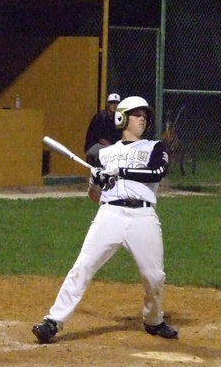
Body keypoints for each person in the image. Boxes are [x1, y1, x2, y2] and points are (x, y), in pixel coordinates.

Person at [32, 96, 177, 344]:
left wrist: (121, 172)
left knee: (154, 276)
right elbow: (95, 197)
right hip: (110, 215)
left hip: (143, 216)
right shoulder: (105, 155)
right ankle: (53, 321)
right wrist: (95, 182)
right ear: (122, 118)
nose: (142, 119)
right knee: (83, 266)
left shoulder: (155, 147)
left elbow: (157, 173)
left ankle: (153, 320)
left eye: (145, 115)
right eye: (137, 114)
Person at [83, 92, 122, 166]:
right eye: (112, 103)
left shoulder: (117, 118)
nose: (115, 105)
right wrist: (114, 148)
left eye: (117, 103)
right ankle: (98, 171)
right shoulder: (100, 117)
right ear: (108, 104)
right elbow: (101, 139)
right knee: (104, 152)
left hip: (110, 146)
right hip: (93, 145)